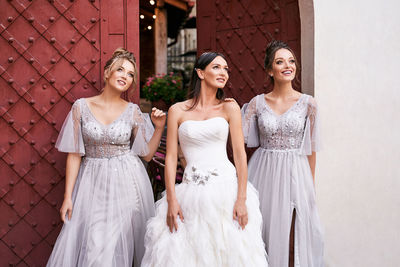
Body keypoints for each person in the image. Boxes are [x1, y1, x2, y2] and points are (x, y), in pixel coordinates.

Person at [141, 52, 268, 267]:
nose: (223, 73)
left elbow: (239, 155)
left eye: (226, 69)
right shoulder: (177, 110)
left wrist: (241, 199)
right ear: (200, 72)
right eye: (216, 67)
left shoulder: (230, 107)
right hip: (190, 194)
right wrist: (172, 200)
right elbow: (171, 158)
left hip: (226, 193)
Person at [47, 48, 166, 267]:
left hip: (127, 185)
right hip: (92, 185)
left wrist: (158, 128)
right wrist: (68, 197)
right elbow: (74, 155)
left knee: (115, 245)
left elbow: (147, 154)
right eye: (120, 69)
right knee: (96, 245)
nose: (125, 76)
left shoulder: (133, 111)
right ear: (107, 73)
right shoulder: (81, 107)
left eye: (130, 74)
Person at [241, 40, 324, 267]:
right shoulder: (256, 104)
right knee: (261, 229)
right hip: (262, 171)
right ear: (270, 69)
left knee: (294, 233)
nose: (288, 65)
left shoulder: (309, 104)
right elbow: (239, 139)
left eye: (291, 61)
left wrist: (311, 185)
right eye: (280, 61)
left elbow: (312, 149)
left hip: (296, 170)